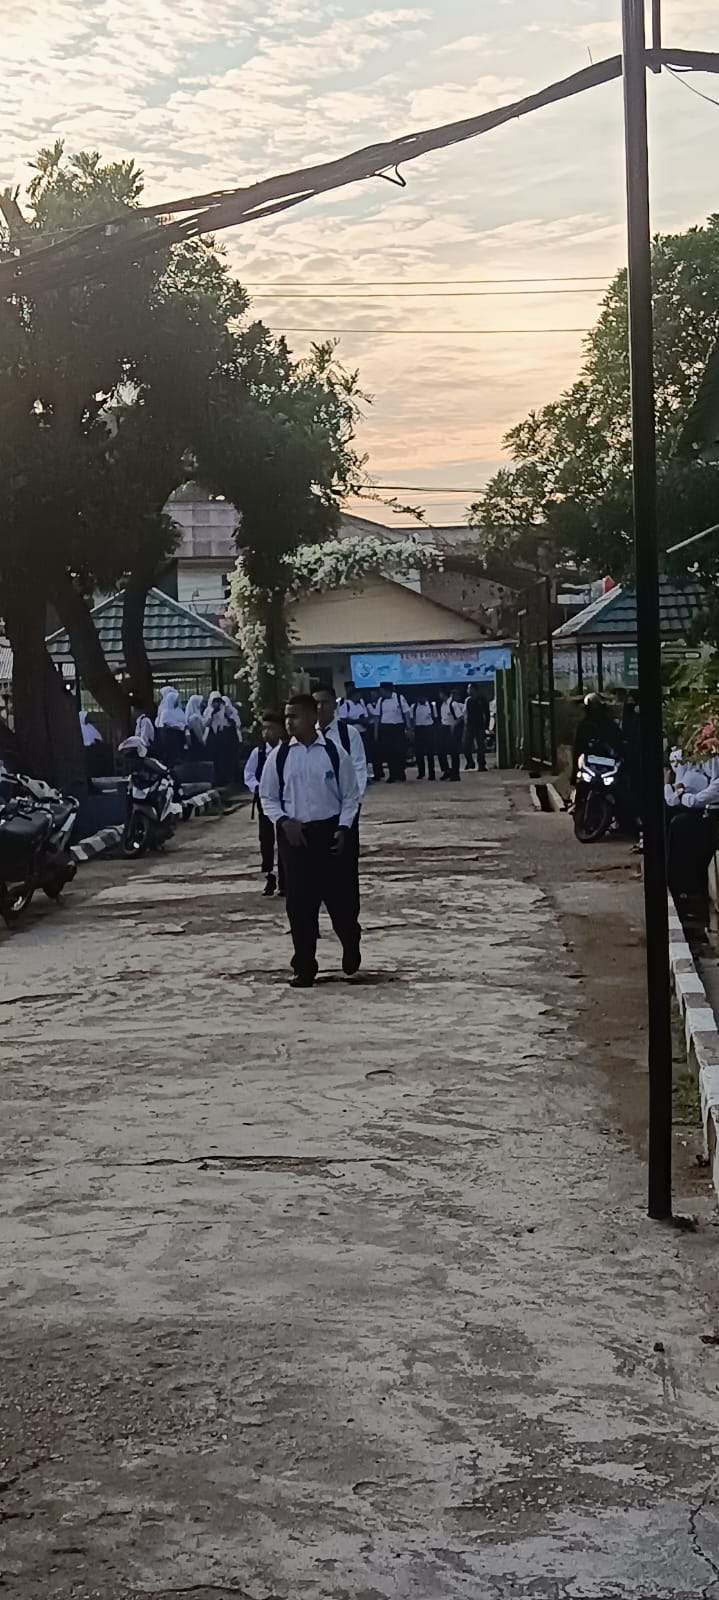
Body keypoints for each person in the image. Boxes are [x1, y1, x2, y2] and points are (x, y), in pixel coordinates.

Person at [259, 693, 361, 988]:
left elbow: (350, 796)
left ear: (313, 717)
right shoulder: (279, 757)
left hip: (330, 834)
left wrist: (343, 828)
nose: (289, 723)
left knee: (341, 903)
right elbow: (268, 796)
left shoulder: (334, 753)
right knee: (299, 907)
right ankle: (304, 966)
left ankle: (350, 941)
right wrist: (283, 821)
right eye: (287, 717)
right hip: (296, 838)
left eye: (295, 716)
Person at [314, 684, 367, 924]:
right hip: (315, 813)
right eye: (316, 703)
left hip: (344, 812)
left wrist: (353, 805)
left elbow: (359, 769)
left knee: (345, 867)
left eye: (325, 702)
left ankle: (348, 919)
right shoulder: (305, 737)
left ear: (334, 704)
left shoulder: (348, 734)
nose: (320, 708)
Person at [244, 710, 286, 896]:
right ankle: (269, 875)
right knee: (266, 839)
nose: (266, 733)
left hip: (284, 801)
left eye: (271, 728)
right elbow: (249, 773)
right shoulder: (259, 752)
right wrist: (258, 787)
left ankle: (285, 878)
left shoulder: (286, 750)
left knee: (284, 838)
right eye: (264, 729)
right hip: (264, 801)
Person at [376, 681, 410, 782]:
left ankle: (401, 773)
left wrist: (409, 728)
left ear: (386, 690)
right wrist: (376, 732)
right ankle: (392, 775)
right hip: (386, 728)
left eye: (381, 690)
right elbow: (377, 717)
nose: (380, 692)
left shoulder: (399, 698)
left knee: (400, 752)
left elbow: (406, 713)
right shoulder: (381, 701)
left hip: (398, 728)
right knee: (389, 752)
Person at [438, 687, 465, 781]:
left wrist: (453, 725)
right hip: (444, 728)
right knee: (441, 751)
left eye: (441, 694)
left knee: (453, 752)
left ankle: (455, 774)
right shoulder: (443, 705)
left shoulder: (453, 704)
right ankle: (446, 770)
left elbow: (460, 717)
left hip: (451, 728)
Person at [155, 686, 187, 768]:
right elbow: (168, 723)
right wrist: (180, 726)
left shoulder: (179, 710)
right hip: (171, 736)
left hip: (180, 736)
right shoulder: (165, 711)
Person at [411, 693, 438, 780]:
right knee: (419, 753)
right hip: (419, 729)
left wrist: (434, 730)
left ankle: (431, 773)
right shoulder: (414, 706)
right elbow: (412, 719)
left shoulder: (431, 705)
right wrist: (412, 730)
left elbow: (435, 717)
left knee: (430, 753)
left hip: (429, 728)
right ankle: (421, 772)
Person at [464, 684, 489, 771]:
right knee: (466, 746)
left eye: (470, 688)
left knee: (480, 746)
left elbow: (486, 713)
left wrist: (486, 726)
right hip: (469, 727)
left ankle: (481, 764)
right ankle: (470, 762)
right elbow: (466, 714)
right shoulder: (468, 700)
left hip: (479, 726)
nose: (468, 690)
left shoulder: (482, 700)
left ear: (475, 689)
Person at [185, 695, 208, 760]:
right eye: (201, 702)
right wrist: (203, 741)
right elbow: (198, 732)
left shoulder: (197, 714)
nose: (202, 704)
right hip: (197, 744)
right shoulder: (194, 718)